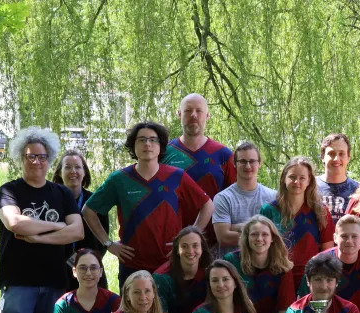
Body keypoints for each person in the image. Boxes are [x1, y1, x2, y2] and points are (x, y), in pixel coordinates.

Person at [0, 126, 84, 313]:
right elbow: (15, 223)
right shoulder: (9, 191)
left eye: (42, 157)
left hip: (55, 282)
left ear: (50, 159)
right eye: (30, 156)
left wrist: (38, 237)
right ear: (20, 159)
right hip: (18, 282)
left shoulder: (61, 193)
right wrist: (58, 226)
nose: (36, 162)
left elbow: (78, 231)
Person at [82, 121, 213, 288]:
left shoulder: (177, 176)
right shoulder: (119, 179)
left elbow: (208, 206)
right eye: (141, 140)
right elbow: (88, 210)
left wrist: (189, 240)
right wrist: (108, 243)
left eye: (153, 140)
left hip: (170, 264)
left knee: (170, 306)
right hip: (132, 265)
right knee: (133, 306)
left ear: (161, 145)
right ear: (133, 145)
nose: (147, 144)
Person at [223, 215, 296, 313]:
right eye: (254, 234)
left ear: (272, 238)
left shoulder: (283, 268)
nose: (259, 239)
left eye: (265, 234)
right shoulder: (231, 262)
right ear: (246, 238)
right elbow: (221, 304)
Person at [259, 156, 335, 282]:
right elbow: (261, 248)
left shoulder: (320, 211)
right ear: (284, 178)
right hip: (276, 276)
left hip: (311, 278)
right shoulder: (269, 210)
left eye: (302, 178)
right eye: (292, 177)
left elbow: (328, 251)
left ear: (309, 180)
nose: (296, 182)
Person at [51, 149, 109, 290]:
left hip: (90, 270)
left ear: (84, 172)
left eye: (77, 167)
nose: (73, 171)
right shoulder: (51, 202)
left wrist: (89, 261)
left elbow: (103, 238)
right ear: (59, 172)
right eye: (67, 167)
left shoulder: (95, 202)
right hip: (57, 271)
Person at [163, 93, 236, 199]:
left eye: (199, 111)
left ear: (207, 116)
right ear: (179, 114)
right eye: (188, 110)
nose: (193, 115)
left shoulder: (224, 155)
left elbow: (237, 197)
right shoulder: (164, 153)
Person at [212, 142, 277, 257]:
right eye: (242, 161)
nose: (247, 166)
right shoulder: (223, 198)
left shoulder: (272, 197)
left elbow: (277, 234)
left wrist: (236, 227)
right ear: (235, 164)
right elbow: (223, 237)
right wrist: (262, 234)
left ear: (259, 163)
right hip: (231, 265)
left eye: (252, 161)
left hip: (264, 264)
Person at [153, 226, 212, 313]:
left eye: (195, 245)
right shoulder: (162, 278)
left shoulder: (209, 270)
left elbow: (212, 306)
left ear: (202, 248)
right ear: (177, 250)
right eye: (184, 246)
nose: (190, 251)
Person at [316, 133, 358, 224]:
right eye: (331, 153)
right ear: (323, 157)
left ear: (348, 158)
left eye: (341, 154)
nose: (336, 159)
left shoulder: (359, 191)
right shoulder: (310, 186)